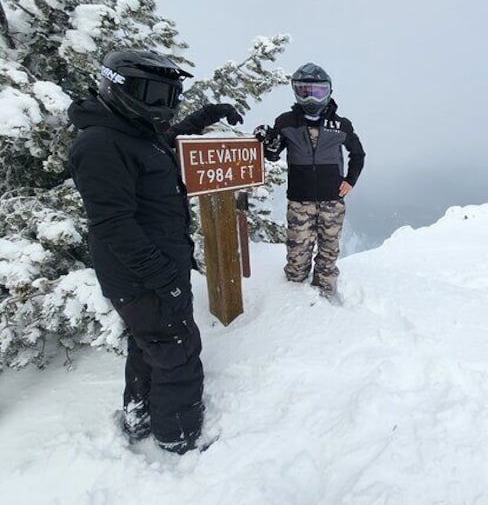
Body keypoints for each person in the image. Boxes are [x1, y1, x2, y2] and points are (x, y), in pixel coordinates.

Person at [68, 49, 243, 454]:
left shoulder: (132, 130)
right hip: (143, 275)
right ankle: (178, 437)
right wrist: (165, 278)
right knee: (178, 349)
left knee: (150, 343)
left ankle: (140, 413)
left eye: (168, 94)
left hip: (149, 270)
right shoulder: (101, 144)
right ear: (119, 87)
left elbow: (171, 135)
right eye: (152, 93)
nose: (161, 105)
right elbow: (113, 224)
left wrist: (209, 113)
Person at [254, 62, 365, 301]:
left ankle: (325, 293)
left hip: (332, 201)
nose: (312, 97)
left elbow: (358, 154)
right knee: (297, 251)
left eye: (318, 91)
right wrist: (267, 140)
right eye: (305, 91)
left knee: (328, 249)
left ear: (328, 92)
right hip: (300, 201)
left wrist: (350, 181)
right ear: (296, 91)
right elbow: (273, 154)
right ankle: (294, 294)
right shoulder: (286, 122)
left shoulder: (340, 125)